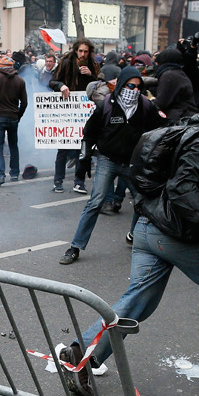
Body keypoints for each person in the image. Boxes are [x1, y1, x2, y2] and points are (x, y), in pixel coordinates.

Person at [57, 72, 199, 396]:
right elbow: (183, 186)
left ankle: (80, 355)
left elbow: (185, 173)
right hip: (175, 232)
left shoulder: (193, 124)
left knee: (137, 302)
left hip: (146, 227)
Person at [58, 67, 167, 266]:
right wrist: (84, 160)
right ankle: (75, 247)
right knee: (95, 202)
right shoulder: (105, 106)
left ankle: (134, 235)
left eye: (137, 87)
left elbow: (161, 129)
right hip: (107, 160)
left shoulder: (145, 106)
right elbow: (88, 133)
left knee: (143, 201)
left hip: (133, 164)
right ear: (121, 85)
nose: (133, 91)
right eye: (129, 86)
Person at [49, 39, 100, 194]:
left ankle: (79, 182)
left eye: (85, 51)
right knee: (63, 148)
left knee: (82, 149)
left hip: (84, 113)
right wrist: (61, 86)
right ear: (75, 50)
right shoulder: (65, 64)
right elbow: (52, 82)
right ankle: (58, 181)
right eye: (80, 51)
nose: (83, 54)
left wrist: (91, 76)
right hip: (66, 112)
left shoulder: (93, 66)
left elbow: (100, 86)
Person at [0, 54, 27, 186]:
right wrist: (18, 116)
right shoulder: (20, 80)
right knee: (13, 145)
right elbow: (24, 103)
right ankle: (14, 173)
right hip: (13, 117)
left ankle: (0, 175)